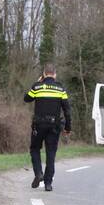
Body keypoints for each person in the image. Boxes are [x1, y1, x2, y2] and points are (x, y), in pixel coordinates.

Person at [24, 64, 72, 192]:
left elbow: (27, 99)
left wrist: (37, 82)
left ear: (44, 74)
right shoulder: (60, 89)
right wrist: (68, 127)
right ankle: (48, 183)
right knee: (51, 154)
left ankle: (39, 173)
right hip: (54, 127)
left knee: (35, 149)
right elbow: (67, 110)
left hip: (38, 126)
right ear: (55, 75)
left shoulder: (37, 87)